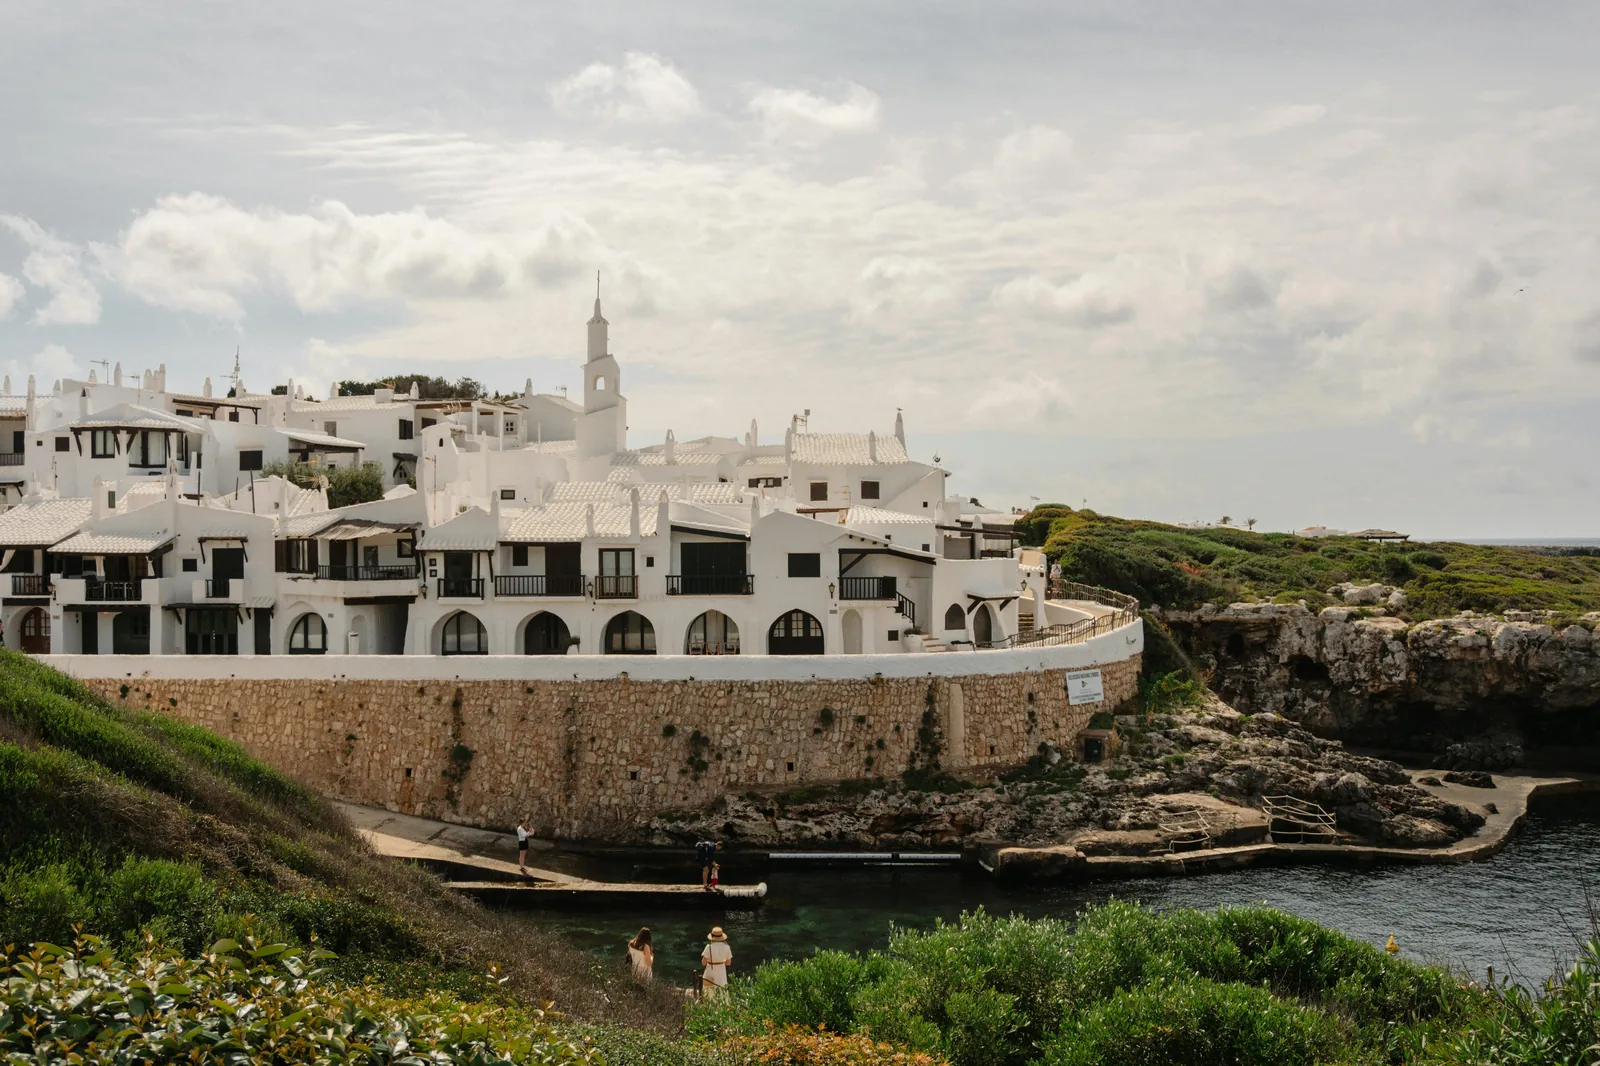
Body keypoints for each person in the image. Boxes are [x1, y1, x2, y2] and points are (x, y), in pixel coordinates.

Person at [701, 927, 732, 996]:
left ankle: (709, 1005)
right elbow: (728, 963)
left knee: (708, 990)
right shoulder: (727, 947)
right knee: (721, 989)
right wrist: (721, 961)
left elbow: (703, 963)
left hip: (710, 971)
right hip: (721, 972)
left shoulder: (708, 947)